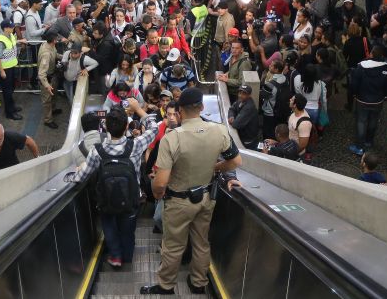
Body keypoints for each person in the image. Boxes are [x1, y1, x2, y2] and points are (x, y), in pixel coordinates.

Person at [140, 88, 241, 295]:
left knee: (173, 246)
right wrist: (215, 168)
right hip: (205, 197)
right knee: (201, 243)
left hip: (178, 201)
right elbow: (235, 161)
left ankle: (166, 285)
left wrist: (158, 195)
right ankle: (198, 282)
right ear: (202, 107)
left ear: (179, 112)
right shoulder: (220, 130)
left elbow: (160, 183)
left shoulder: (171, 138)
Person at [69, 101, 159, 269]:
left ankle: (115, 256)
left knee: (109, 226)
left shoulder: (97, 150)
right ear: (126, 127)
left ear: (106, 127)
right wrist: (138, 110)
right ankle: (128, 257)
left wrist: (72, 176)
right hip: (131, 200)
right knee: (128, 230)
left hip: (106, 201)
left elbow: (82, 176)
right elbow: (154, 128)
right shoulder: (136, 145)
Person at [348, 45, 387, 156]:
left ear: (371, 54)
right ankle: (369, 141)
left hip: (362, 100)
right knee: (373, 120)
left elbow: (354, 83)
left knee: (361, 121)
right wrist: (384, 96)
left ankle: (359, 147)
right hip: (378, 101)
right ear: (382, 55)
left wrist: (354, 94)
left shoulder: (361, 66)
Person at [0, 19, 26, 120]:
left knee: (11, 88)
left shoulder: (10, 35)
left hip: (12, 66)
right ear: (5, 28)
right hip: (5, 69)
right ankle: (10, 113)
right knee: (7, 91)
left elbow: (12, 43)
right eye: (11, 27)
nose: (13, 28)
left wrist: (20, 41)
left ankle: (12, 106)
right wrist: (2, 71)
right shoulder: (0, 41)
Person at [37, 29, 62, 130]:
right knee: (47, 100)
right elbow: (41, 74)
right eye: (57, 38)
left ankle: (53, 109)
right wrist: (47, 86)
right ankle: (48, 120)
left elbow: (55, 55)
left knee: (54, 95)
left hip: (52, 76)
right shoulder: (46, 54)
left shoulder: (49, 45)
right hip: (46, 80)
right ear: (54, 40)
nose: (58, 39)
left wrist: (65, 57)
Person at [228, 84, 259, 149]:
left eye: (244, 94)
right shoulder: (240, 100)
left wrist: (233, 121)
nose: (240, 95)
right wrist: (231, 116)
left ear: (249, 95)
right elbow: (232, 109)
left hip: (248, 141)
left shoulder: (249, 107)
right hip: (242, 135)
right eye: (240, 93)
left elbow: (236, 124)